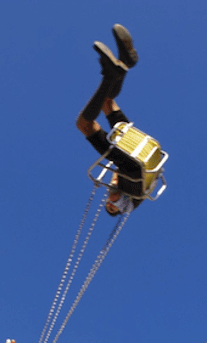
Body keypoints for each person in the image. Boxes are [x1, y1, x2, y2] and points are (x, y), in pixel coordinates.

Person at [75, 24, 147, 217]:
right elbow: (116, 196)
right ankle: (109, 76)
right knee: (84, 125)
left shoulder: (136, 188)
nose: (110, 204)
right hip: (134, 166)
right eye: (111, 208)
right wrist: (112, 192)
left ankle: (123, 64)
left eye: (108, 206)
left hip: (138, 149)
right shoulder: (127, 204)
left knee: (107, 103)